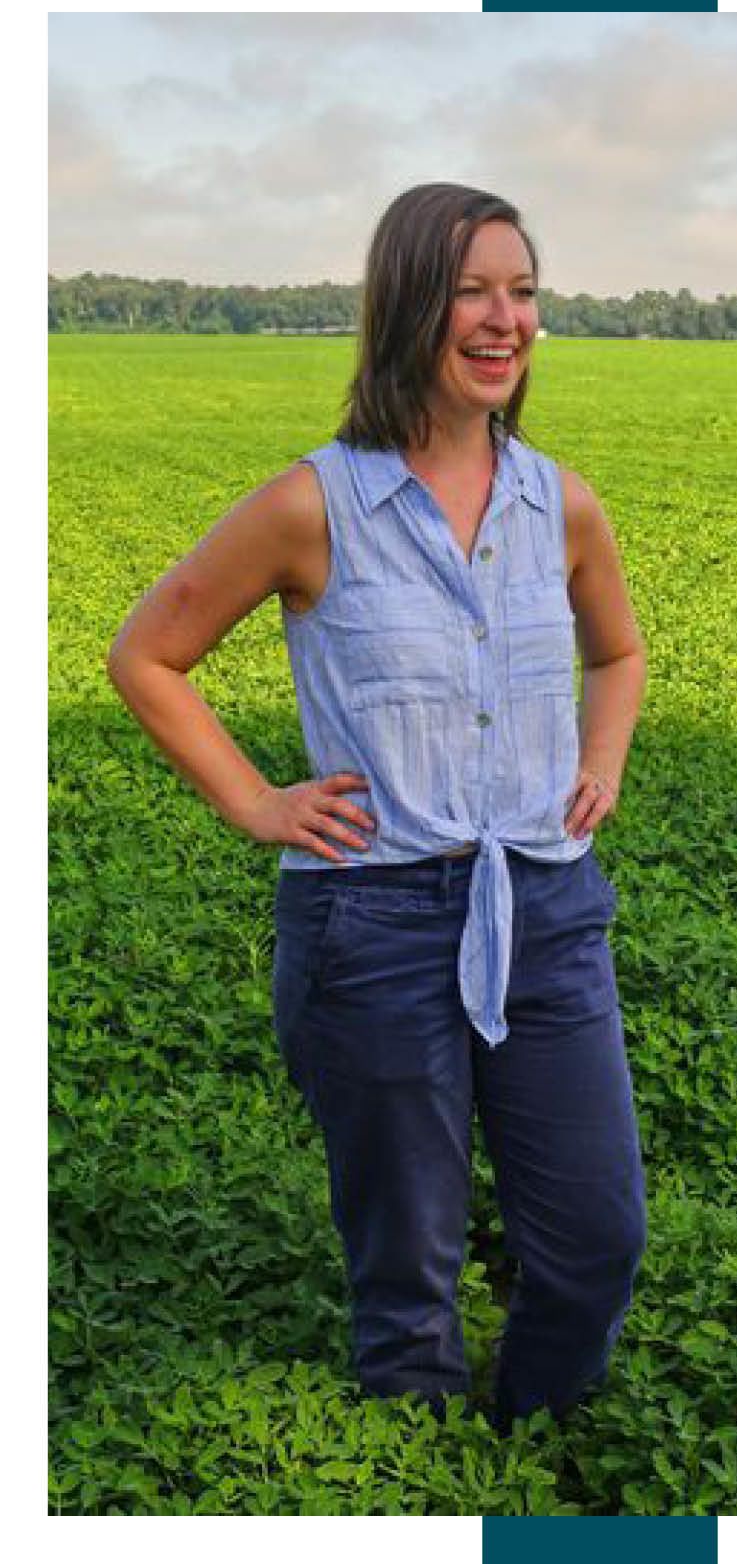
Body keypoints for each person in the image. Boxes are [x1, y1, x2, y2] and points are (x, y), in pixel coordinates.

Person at [106, 182, 649, 1431]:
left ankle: (532, 1451)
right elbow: (147, 653)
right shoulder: (315, 503)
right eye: (473, 290)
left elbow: (615, 653)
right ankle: (419, 1493)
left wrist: (601, 760)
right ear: (409, 304)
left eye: (522, 290)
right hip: (377, 922)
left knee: (597, 1238)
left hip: (546, 907)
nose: (505, 318)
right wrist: (256, 802)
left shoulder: (559, 501)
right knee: (407, 1277)